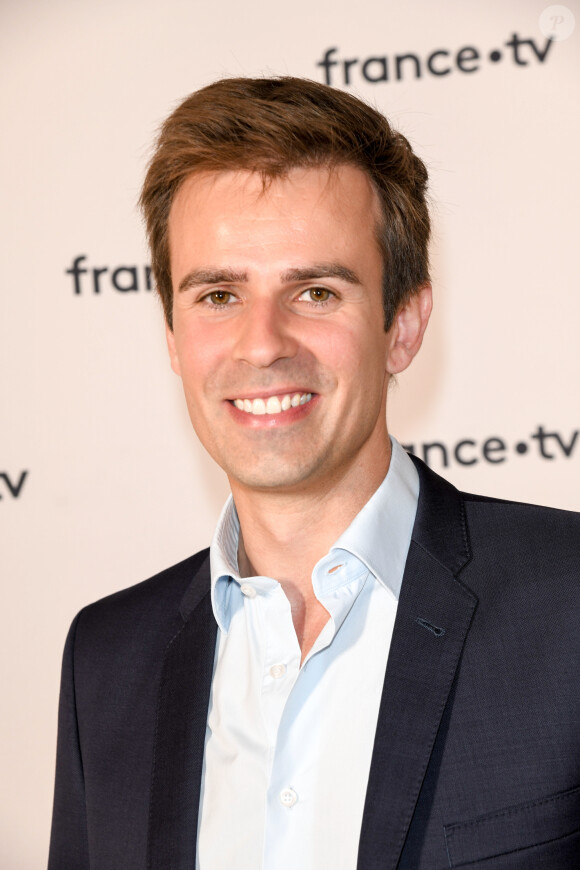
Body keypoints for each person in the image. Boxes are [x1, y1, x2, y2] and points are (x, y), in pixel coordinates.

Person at [48, 77, 580, 870]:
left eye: (317, 291)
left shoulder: (566, 602)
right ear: (171, 336)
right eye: (220, 293)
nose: (262, 344)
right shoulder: (107, 658)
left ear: (403, 326)